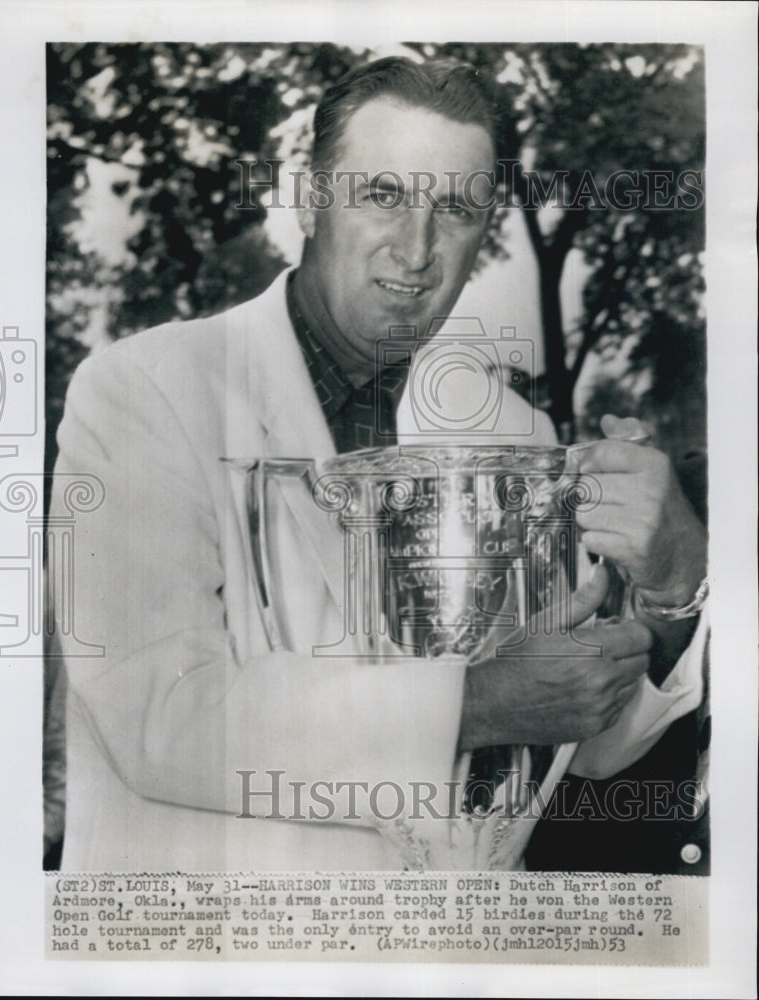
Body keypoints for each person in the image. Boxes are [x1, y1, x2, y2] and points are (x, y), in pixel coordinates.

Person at [50, 57, 708, 871]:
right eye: (384, 194)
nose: (418, 249)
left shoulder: (520, 433)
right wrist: (473, 705)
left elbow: (585, 740)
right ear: (311, 199)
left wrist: (673, 591)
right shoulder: (144, 390)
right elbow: (161, 715)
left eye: (457, 209)